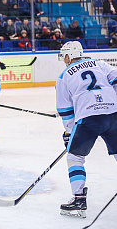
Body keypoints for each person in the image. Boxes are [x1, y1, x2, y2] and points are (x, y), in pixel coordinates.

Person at [56, 41, 117, 218]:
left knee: (75, 156)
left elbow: (66, 111)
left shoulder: (64, 75)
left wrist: (69, 133)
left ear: (68, 56)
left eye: (64, 57)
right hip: (113, 114)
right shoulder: (100, 63)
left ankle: (79, 198)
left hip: (88, 118)